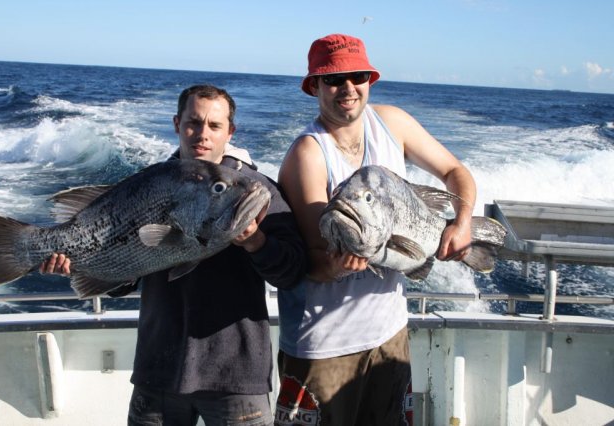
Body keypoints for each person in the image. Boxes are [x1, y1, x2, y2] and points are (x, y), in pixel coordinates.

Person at [41, 84, 307, 425]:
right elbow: (124, 280)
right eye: (193, 123)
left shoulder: (257, 191)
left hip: (235, 376)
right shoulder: (147, 186)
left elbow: (292, 272)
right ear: (177, 124)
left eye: (214, 126)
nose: (202, 134)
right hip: (159, 370)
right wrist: (80, 263)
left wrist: (256, 242)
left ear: (231, 132)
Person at [274, 34, 476, 425]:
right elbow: (314, 260)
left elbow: (456, 172)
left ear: (370, 80)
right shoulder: (308, 154)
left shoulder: (392, 123)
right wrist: (339, 266)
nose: (348, 88)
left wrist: (462, 223)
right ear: (314, 86)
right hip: (324, 346)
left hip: (390, 336)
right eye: (333, 80)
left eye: (358, 76)